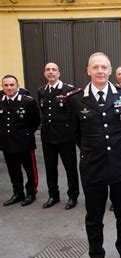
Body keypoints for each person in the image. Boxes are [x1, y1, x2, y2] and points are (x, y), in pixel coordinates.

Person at [66, 52, 121, 258]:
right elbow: (76, 134)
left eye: (104, 67)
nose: (100, 71)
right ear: (88, 71)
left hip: (120, 165)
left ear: (110, 70)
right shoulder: (76, 99)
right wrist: (93, 150)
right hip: (93, 167)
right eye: (95, 67)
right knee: (94, 217)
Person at [37, 62, 80, 210]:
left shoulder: (69, 90)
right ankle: (53, 196)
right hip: (48, 136)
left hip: (65, 136)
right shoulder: (41, 91)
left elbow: (75, 114)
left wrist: (74, 134)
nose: (50, 72)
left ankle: (73, 196)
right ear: (44, 73)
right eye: (47, 70)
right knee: (50, 168)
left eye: (53, 70)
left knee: (70, 168)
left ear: (59, 73)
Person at [1, 75, 41, 207]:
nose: (9, 88)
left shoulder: (27, 101)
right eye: (6, 85)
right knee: (13, 170)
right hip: (7, 142)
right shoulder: (1, 101)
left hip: (24, 142)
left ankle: (31, 193)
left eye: (12, 85)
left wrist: (26, 135)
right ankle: (18, 193)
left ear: (17, 86)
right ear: (3, 87)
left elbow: (35, 121)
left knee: (30, 169)